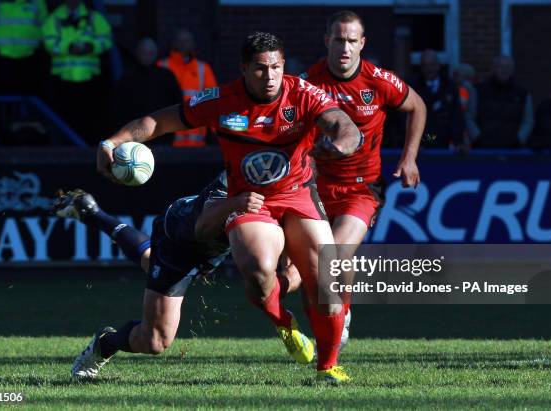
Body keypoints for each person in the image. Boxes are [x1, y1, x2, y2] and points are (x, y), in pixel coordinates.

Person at [97, 32, 362, 383]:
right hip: (249, 199)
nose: (269, 77)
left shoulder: (303, 93)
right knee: (257, 269)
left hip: (298, 193)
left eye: (276, 68)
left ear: (284, 66)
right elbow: (158, 122)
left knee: (327, 279)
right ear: (244, 69)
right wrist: (113, 141)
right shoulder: (222, 100)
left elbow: (344, 125)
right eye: (260, 69)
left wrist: (342, 146)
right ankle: (283, 321)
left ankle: (328, 368)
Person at [54, 176, 299, 379]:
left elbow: (303, 259)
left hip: (211, 247)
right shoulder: (245, 172)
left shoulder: (303, 186)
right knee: (155, 341)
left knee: (151, 261)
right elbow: (203, 227)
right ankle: (104, 343)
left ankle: (91, 212)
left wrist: (284, 287)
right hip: (182, 239)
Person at [301, 10, 426, 333]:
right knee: (309, 270)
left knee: (334, 254)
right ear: (327, 40)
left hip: (362, 188)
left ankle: (338, 320)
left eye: (351, 41)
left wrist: (409, 157)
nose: (345, 47)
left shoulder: (378, 81)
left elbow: (418, 106)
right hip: (314, 188)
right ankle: (333, 312)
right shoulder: (307, 82)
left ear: (362, 43)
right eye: (339, 39)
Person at [42, 0, 112, 143]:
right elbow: (48, 43)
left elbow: (107, 40)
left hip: (90, 79)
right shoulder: (54, 19)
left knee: (89, 117)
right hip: (63, 79)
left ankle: (88, 148)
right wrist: (68, 47)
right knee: (64, 118)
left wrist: (91, 46)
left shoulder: (94, 18)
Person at [0, 0, 48, 95]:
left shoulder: (37, 1)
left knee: (29, 95)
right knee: (1, 95)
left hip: (30, 57)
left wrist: (40, 41)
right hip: (0, 56)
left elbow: (46, 25)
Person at [156, 29, 217, 147]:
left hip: (197, 140)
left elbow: (213, 103)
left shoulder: (203, 69)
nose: (183, 44)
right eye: (180, 40)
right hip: (167, 140)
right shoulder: (162, 66)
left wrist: (216, 135)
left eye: (187, 40)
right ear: (173, 43)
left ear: (193, 44)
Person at [113, 38, 182, 130]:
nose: (147, 56)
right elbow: (119, 107)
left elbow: (176, 103)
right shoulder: (127, 78)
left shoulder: (166, 76)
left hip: (161, 132)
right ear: (137, 53)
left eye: (150, 53)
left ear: (155, 54)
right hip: (134, 132)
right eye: (143, 52)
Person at [474, 55, 533, 148]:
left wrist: (519, 139)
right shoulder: (479, 91)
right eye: (500, 67)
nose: (504, 70)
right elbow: (469, 117)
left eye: (508, 67)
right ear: (493, 69)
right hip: (483, 148)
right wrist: (477, 137)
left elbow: (528, 120)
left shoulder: (522, 94)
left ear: (512, 70)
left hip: (512, 148)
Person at [410, 49, 464, 148]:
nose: (429, 69)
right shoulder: (413, 88)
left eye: (432, 64)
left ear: (438, 65)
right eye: (425, 65)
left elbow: (457, 116)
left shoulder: (450, 87)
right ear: (421, 67)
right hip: (420, 145)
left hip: (446, 144)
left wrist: (458, 141)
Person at [452, 63, 479, 147]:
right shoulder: (472, 90)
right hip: (469, 133)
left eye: (457, 75)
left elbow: (464, 113)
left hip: (466, 134)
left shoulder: (464, 90)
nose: (454, 78)